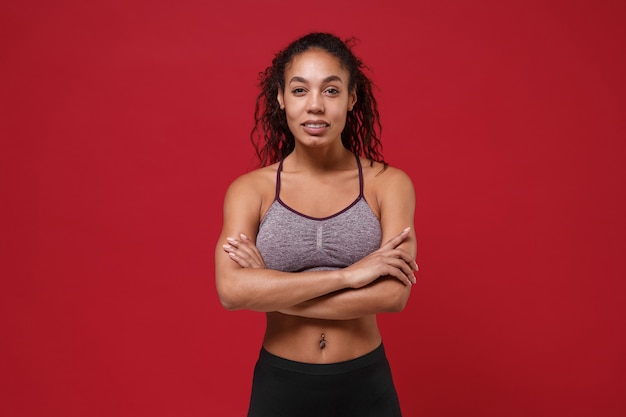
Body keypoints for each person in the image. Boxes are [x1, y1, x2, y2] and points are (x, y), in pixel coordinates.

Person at [214, 32, 418, 417]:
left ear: (351, 98)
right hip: (281, 387)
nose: (314, 106)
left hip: (366, 388)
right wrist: (350, 276)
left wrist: (271, 287)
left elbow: (393, 296)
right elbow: (231, 290)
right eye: (299, 90)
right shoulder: (251, 190)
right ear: (280, 98)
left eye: (330, 90)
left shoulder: (388, 184)